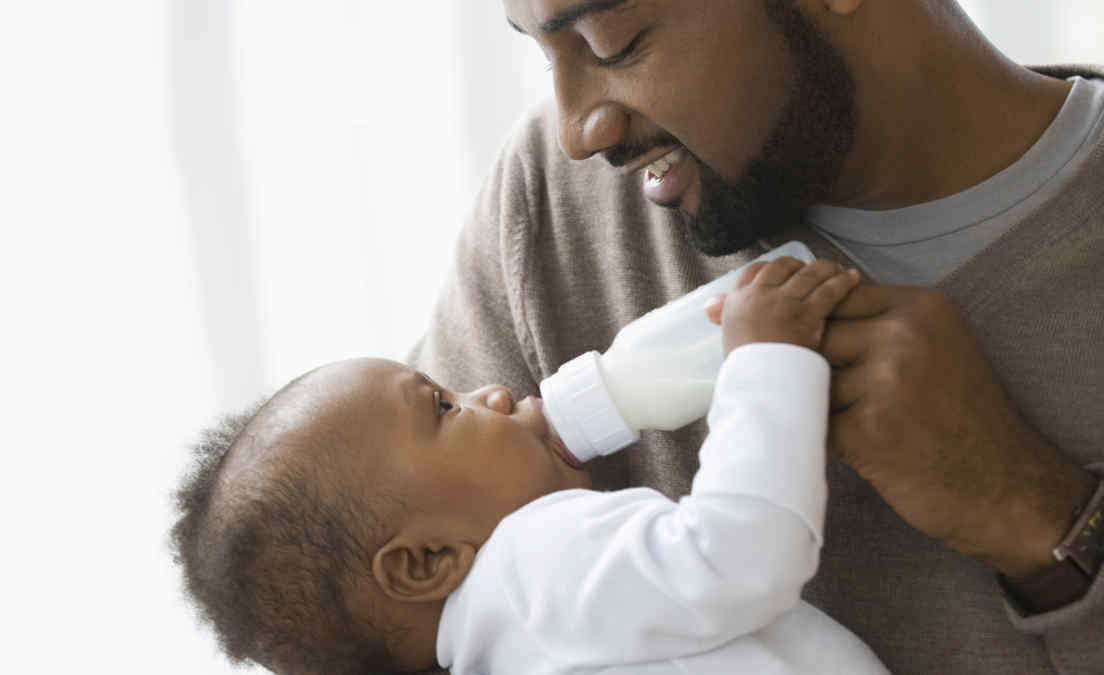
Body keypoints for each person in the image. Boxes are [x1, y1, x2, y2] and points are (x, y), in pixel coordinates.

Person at [409, 1, 1104, 673]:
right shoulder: (559, 209)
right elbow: (359, 600)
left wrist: (1037, 512)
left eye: (610, 43)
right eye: (540, 53)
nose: (577, 132)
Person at [170, 259, 893, 673]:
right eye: (445, 408)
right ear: (425, 562)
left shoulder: (513, 645)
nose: (486, 389)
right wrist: (765, 360)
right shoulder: (533, 563)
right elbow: (741, 551)